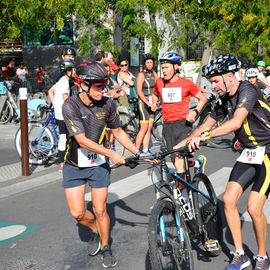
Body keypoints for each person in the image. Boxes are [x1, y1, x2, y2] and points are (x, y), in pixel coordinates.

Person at [174, 54, 270, 270]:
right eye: (210, 81)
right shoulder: (223, 99)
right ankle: (240, 254)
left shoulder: (248, 89)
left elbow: (236, 123)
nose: (213, 85)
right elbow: (203, 126)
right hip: (249, 154)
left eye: (216, 81)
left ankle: (262, 257)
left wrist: (205, 137)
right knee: (228, 200)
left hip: (267, 151)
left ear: (229, 76)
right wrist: (179, 145)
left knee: (254, 208)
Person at [61, 62, 148, 268]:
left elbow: (118, 132)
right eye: (98, 86)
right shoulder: (70, 106)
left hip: (98, 163)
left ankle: (106, 246)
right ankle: (95, 231)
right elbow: (81, 140)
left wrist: (140, 152)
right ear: (83, 85)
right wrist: (111, 152)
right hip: (74, 163)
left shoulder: (108, 104)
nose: (103, 90)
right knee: (77, 213)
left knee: (100, 210)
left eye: (104, 85)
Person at [152, 52, 207, 179]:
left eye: (167, 67)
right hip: (167, 127)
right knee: (176, 160)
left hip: (183, 125)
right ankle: (197, 163)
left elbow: (202, 99)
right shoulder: (159, 83)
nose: (164, 71)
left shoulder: (186, 83)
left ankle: (182, 194)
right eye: (162, 68)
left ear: (176, 66)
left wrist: (194, 112)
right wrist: (154, 102)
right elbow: (155, 94)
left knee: (178, 159)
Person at [48, 59, 76, 172]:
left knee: (64, 136)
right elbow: (65, 98)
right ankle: (62, 162)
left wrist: (55, 104)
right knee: (65, 137)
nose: (74, 71)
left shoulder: (61, 81)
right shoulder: (64, 82)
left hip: (60, 113)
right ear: (68, 71)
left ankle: (64, 161)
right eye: (73, 69)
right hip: (64, 114)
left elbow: (50, 91)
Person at [135, 53, 159, 155]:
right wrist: (148, 103)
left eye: (151, 62)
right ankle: (135, 151)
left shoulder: (155, 74)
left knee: (149, 127)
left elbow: (158, 89)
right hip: (143, 103)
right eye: (147, 62)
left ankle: (145, 149)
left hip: (152, 103)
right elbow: (139, 92)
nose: (149, 64)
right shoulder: (141, 75)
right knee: (143, 128)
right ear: (144, 64)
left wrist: (155, 102)